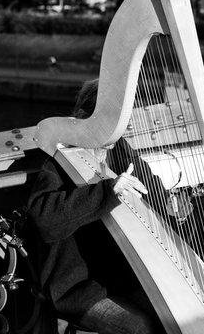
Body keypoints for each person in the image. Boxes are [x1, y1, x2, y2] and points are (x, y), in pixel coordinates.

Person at [27, 79, 167, 334]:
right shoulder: (59, 161)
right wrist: (107, 190)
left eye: (121, 126)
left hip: (124, 277)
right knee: (141, 328)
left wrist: (169, 206)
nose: (116, 134)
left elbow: (154, 194)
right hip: (78, 287)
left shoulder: (120, 150)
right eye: (111, 125)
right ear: (83, 118)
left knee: (182, 316)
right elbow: (44, 219)